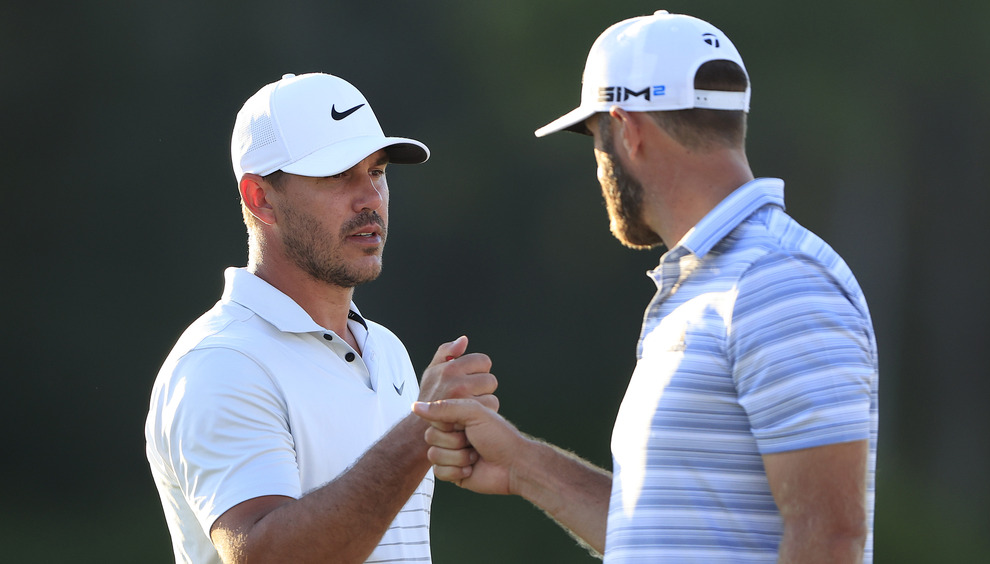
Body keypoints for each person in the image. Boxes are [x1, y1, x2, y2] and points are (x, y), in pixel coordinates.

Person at [413, 11, 878, 563]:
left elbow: (831, 539)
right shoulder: (705, 286)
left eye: (596, 140)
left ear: (627, 130)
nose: (598, 164)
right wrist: (522, 465)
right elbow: (658, 536)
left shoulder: (776, 281)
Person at [145, 72, 498, 564]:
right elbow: (265, 555)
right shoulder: (221, 363)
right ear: (260, 198)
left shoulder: (387, 351)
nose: (370, 199)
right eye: (336, 175)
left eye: (376, 172)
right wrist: (421, 430)